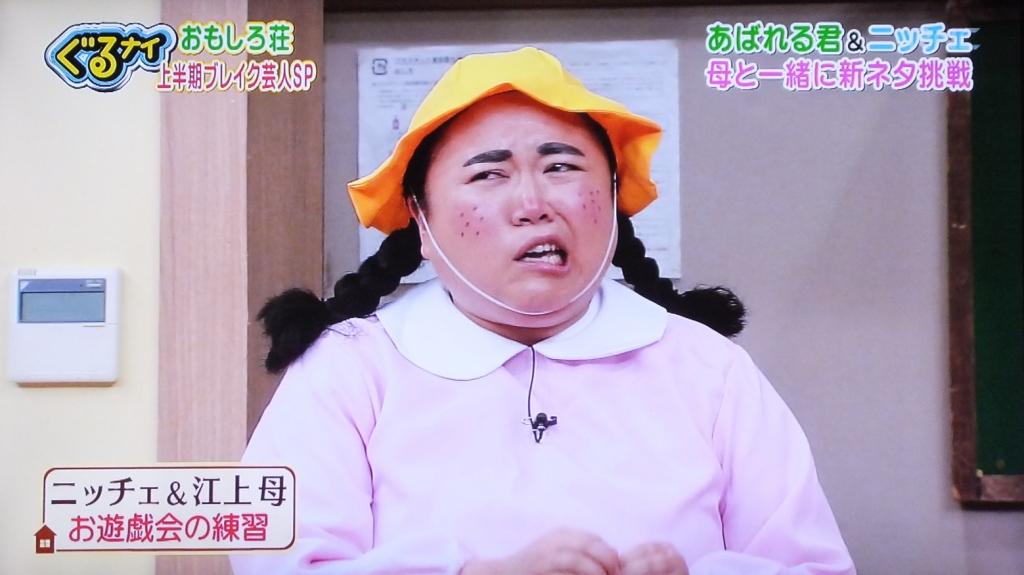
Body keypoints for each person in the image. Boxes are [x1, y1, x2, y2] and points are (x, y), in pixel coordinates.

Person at [231, 47, 855, 575]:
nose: (533, 203)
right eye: (488, 175)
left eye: (561, 167)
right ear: (421, 219)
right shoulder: (347, 370)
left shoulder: (709, 368)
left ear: (613, 199)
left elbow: (813, 566)